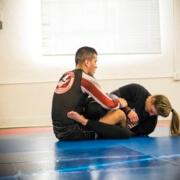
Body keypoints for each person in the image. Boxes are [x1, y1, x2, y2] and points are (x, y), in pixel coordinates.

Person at [51, 46, 131, 141]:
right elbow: (109, 105)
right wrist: (121, 103)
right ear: (87, 62)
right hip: (73, 131)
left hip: (58, 131)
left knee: (95, 104)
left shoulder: (66, 75)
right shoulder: (85, 78)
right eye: (95, 61)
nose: (96, 66)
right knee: (122, 125)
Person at [68, 83, 180, 136]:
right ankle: (83, 122)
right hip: (103, 112)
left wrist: (125, 125)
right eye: (152, 111)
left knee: (123, 126)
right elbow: (111, 95)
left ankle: (84, 124)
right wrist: (127, 109)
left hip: (110, 128)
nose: (151, 115)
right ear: (152, 100)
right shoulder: (138, 90)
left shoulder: (150, 123)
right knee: (94, 110)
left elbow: (132, 134)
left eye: (155, 115)